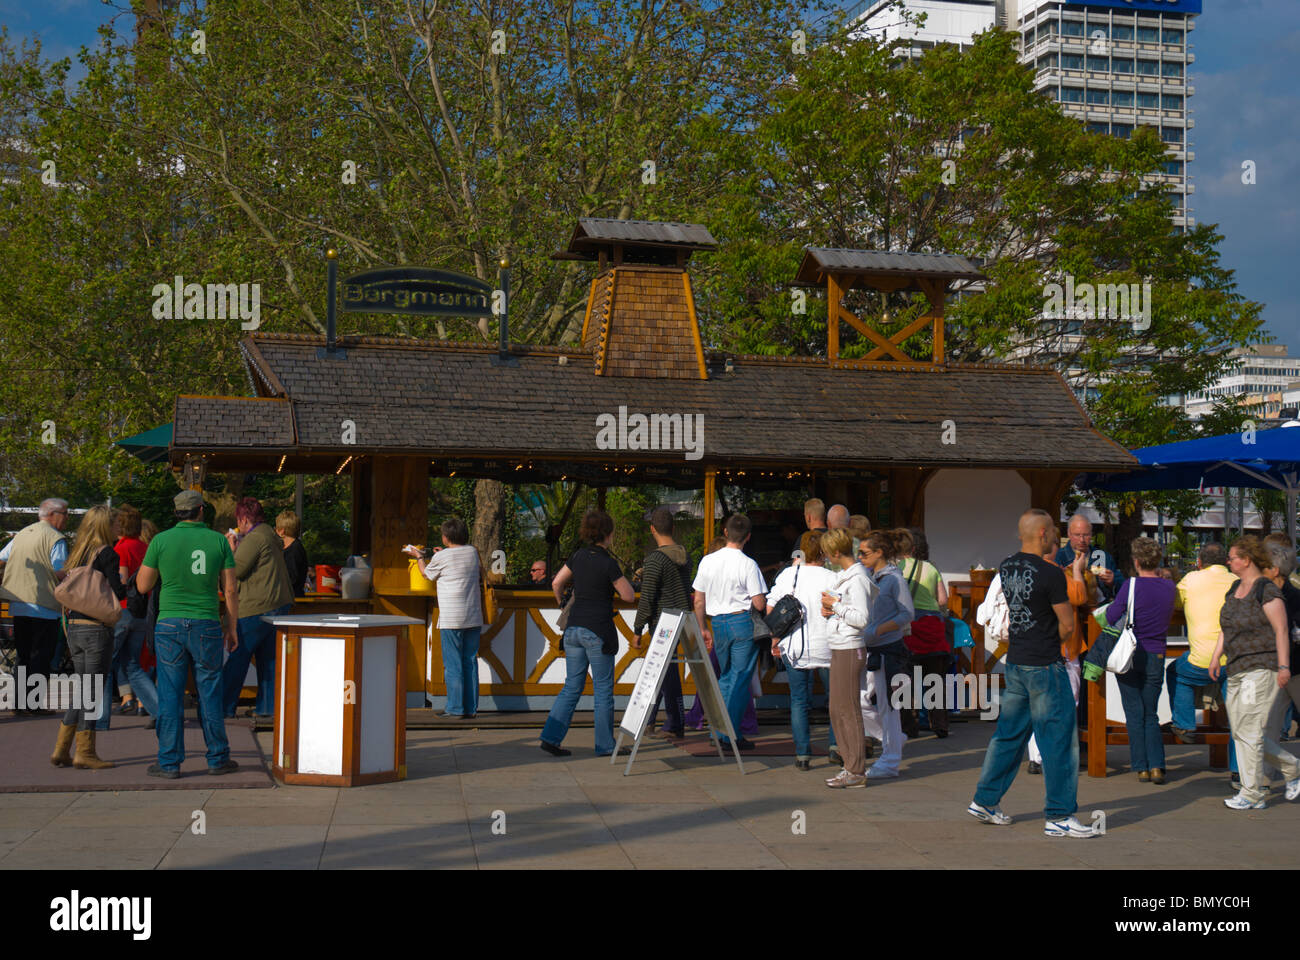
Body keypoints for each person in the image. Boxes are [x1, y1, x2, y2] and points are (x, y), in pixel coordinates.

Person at [968, 508, 1097, 837]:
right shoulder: (1051, 573)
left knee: (1009, 735)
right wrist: (1053, 641)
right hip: (1045, 664)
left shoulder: (1008, 564)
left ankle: (985, 800)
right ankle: (1059, 815)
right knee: (1059, 741)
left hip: (1017, 661)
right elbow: (1067, 624)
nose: (1058, 535)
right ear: (1043, 534)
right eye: (1054, 530)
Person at [134, 489, 240, 778]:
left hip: (169, 624)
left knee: (170, 693)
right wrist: (231, 627)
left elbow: (143, 586)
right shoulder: (219, 541)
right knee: (210, 692)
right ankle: (217, 758)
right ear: (201, 510)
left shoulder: (160, 540)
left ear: (176, 512)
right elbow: (230, 589)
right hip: (206, 623)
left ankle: (169, 762)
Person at [1208, 536, 1300, 809]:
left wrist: (1284, 667)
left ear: (1246, 560)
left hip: (1261, 668)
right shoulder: (1235, 588)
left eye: (1233, 557)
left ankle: (1252, 792)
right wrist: (1216, 656)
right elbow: (1227, 626)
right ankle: (1291, 768)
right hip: (1235, 667)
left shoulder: (1267, 590)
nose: (1229, 561)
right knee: (1241, 732)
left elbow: (1282, 631)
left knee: (1248, 732)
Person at [540, 509, 634, 756]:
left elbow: (556, 582)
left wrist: (561, 603)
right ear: (608, 534)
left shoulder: (578, 556)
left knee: (572, 685)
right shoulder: (608, 562)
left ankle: (551, 737)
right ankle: (604, 744)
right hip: (598, 629)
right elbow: (628, 595)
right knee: (603, 690)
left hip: (573, 629)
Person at [48, 505, 127, 770]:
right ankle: (86, 752)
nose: (119, 527)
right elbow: (119, 591)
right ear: (105, 525)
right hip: (96, 629)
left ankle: (61, 748)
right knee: (92, 691)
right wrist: (125, 582)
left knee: (83, 689)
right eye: (115, 522)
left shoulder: (79, 552)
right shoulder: (107, 554)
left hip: (74, 627)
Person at [1106, 537, 1177, 784]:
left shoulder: (1131, 585)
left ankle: (1141, 767)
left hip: (1131, 653)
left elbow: (1111, 615)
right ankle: (1157, 765)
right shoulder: (1170, 587)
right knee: (1151, 713)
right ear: (1157, 561)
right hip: (1157, 653)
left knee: (1133, 711)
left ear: (1136, 562)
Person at [693, 514, 766, 753]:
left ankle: (719, 731)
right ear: (748, 537)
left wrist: (703, 627)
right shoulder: (748, 564)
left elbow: (699, 600)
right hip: (741, 620)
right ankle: (729, 734)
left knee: (726, 678)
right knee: (739, 679)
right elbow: (758, 602)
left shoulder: (708, 561)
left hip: (719, 623)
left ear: (725, 532)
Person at [220, 497, 295, 719]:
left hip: (255, 608)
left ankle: (223, 707)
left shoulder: (254, 538)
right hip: (278, 605)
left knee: (238, 657)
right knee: (269, 661)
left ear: (243, 519)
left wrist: (230, 548)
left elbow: (237, 570)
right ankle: (267, 709)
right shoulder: (270, 535)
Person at [767, 532, 835, 770]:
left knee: (798, 700)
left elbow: (771, 607)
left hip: (796, 646)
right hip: (829, 647)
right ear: (824, 552)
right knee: (835, 700)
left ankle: (803, 754)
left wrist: (775, 639)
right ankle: (835, 747)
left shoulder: (789, 574)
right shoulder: (832, 576)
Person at [407, 517, 484, 719]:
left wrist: (419, 556)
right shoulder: (472, 552)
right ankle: (470, 709)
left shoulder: (443, 557)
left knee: (453, 664)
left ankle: (455, 708)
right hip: (474, 615)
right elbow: (456, 561)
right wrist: (443, 555)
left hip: (452, 617)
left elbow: (426, 574)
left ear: (446, 537)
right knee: (470, 662)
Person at [1025, 538, 1091, 774]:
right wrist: (1076, 570)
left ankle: (1036, 755)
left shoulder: (1026, 571)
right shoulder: (1055, 573)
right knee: (1065, 704)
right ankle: (1054, 755)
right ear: (1051, 548)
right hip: (1062, 648)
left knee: (1039, 704)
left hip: (1035, 646)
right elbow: (1079, 596)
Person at [0, 498, 70, 714]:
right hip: (44, 605)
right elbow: (59, 571)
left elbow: (1, 558)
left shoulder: (21, 534)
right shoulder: (55, 538)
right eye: (65, 514)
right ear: (53, 514)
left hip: (19, 604)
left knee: (23, 655)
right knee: (41, 655)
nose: (67, 519)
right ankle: (34, 704)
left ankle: (20, 704)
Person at [856, 529, 915, 779]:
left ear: (879, 553)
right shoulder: (876, 577)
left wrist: (878, 629)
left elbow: (907, 614)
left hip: (889, 650)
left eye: (864, 553)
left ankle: (890, 760)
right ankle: (892, 741)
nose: (859, 557)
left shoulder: (894, 580)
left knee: (888, 706)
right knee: (862, 701)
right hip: (875, 649)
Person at [633, 507, 692, 740]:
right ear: (673, 528)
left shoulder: (655, 559)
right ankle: (653, 721)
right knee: (663, 671)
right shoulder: (685, 556)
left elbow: (647, 598)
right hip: (682, 619)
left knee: (663, 672)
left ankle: (674, 723)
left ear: (652, 529)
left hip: (662, 621)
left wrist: (637, 629)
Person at [1167, 543, 1235, 746]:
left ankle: (1184, 724)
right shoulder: (1237, 581)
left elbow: (1175, 604)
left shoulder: (1191, 579)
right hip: (1232, 663)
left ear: (1199, 562)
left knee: (1176, 672)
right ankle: (1237, 771)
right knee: (1237, 723)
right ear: (1226, 562)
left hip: (1202, 662)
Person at [819, 528, 872, 786]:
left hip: (850, 646)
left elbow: (862, 618)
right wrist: (830, 609)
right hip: (841, 644)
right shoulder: (846, 576)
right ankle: (850, 766)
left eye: (827, 552)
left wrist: (836, 607)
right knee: (837, 709)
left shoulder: (858, 578)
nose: (826, 556)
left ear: (837, 552)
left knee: (847, 709)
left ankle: (855, 769)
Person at [108, 504, 157, 728]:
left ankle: (99, 719)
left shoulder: (120, 549)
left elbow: (122, 580)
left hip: (124, 610)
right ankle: (157, 708)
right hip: (142, 612)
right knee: (134, 665)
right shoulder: (146, 547)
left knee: (105, 662)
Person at [900, 528, 951, 738]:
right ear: (914, 548)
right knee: (934, 678)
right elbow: (942, 600)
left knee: (904, 679)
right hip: (932, 625)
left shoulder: (895, 568)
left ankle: (908, 726)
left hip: (909, 627)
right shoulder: (930, 568)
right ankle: (940, 724)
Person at [1263, 542, 1300, 743]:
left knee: (1267, 731)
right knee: (1266, 732)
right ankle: (1268, 774)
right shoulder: (1262, 594)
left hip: (1292, 670)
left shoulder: (1293, 598)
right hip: (1277, 670)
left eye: (1263, 566)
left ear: (1274, 571)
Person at [1055, 514, 1123, 603]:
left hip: (1098, 612)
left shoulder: (1102, 556)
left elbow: (1122, 588)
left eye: (1086, 535)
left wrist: (1113, 582)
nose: (1082, 540)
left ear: (1091, 534)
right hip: (1072, 611)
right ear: (1069, 534)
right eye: (1077, 535)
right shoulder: (1059, 557)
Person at [276, 510, 308, 598]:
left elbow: (292, 578)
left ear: (281, 531)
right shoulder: (290, 548)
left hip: (292, 598)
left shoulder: (295, 549)